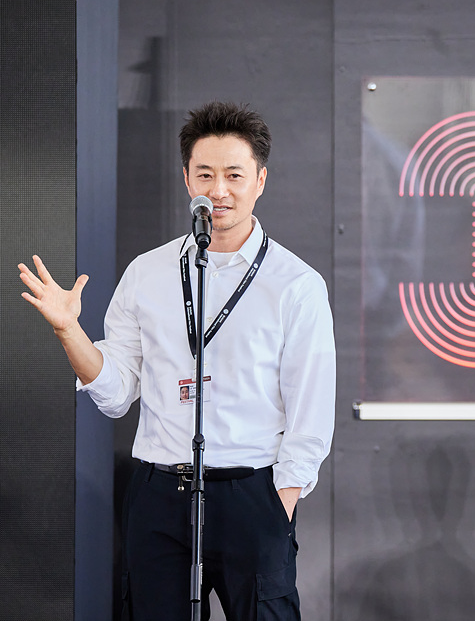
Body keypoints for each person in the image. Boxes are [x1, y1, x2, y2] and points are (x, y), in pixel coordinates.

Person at [19, 102, 336, 620]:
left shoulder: (296, 284)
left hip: (253, 494)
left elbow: (311, 413)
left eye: (234, 175)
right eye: (205, 174)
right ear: (187, 178)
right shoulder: (148, 273)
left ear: (260, 180)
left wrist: (279, 502)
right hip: (160, 496)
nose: (219, 190)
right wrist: (69, 331)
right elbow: (115, 393)